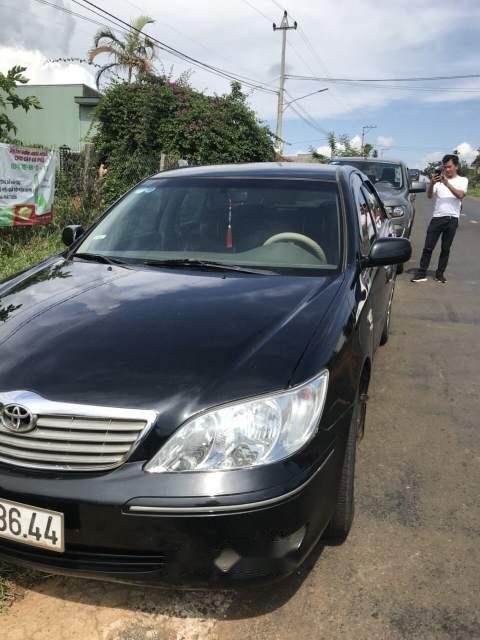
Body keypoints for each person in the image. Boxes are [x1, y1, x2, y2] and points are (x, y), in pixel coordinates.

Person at [411, 154, 468, 283]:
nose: (447, 170)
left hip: (452, 219)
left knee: (445, 248)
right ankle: (421, 273)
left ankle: (439, 274)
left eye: (449, 167)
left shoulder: (463, 180)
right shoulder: (439, 181)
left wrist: (447, 184)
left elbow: (460, 195)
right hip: (437, 218)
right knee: (428, 247)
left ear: (456, 166)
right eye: (445, 167)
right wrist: (432, 183)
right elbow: (430, 196)